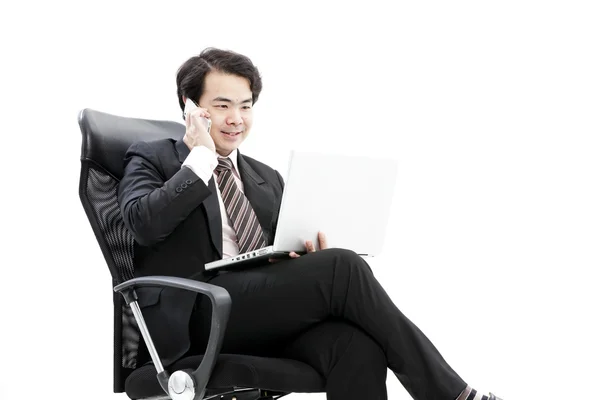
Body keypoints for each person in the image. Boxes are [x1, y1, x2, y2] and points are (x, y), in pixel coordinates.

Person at [117, 47, 502, 400]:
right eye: (221, 106)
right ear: (191, 108)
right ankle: (451, 395)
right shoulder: (153, 158)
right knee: (343, 266)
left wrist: (301, 260)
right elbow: (143, 224)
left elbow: (273, 262)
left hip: (258, 314)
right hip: (198, 317)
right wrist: (199, 159)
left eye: (246, 106)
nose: (236, 119)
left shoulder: (265, 178)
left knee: (355, 345)